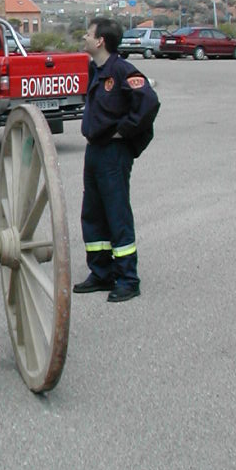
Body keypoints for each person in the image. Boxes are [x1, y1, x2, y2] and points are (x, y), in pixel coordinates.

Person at [74, 17, 160, 303]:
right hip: (94, 149)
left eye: (88, 34)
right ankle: (101, 273)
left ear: (100, 41)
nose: (84, 38)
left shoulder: (122, 70)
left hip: (113, 153)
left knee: (117, 213)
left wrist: (125, 131)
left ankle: (127, 279)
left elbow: (149, 101)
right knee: (93, 212)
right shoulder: (94, 69)